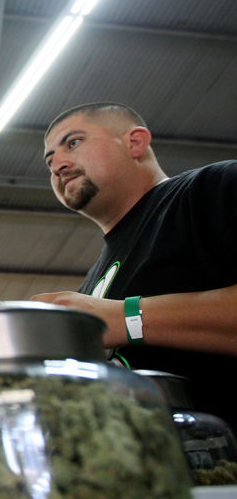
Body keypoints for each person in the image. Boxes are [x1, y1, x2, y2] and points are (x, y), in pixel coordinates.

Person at [31, 101, 237, 430]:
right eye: (49, 161)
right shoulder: (95, 282)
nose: (57, 165)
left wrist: (122, 318)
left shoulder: (212, 188)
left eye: (73, 143)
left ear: (135, 142)